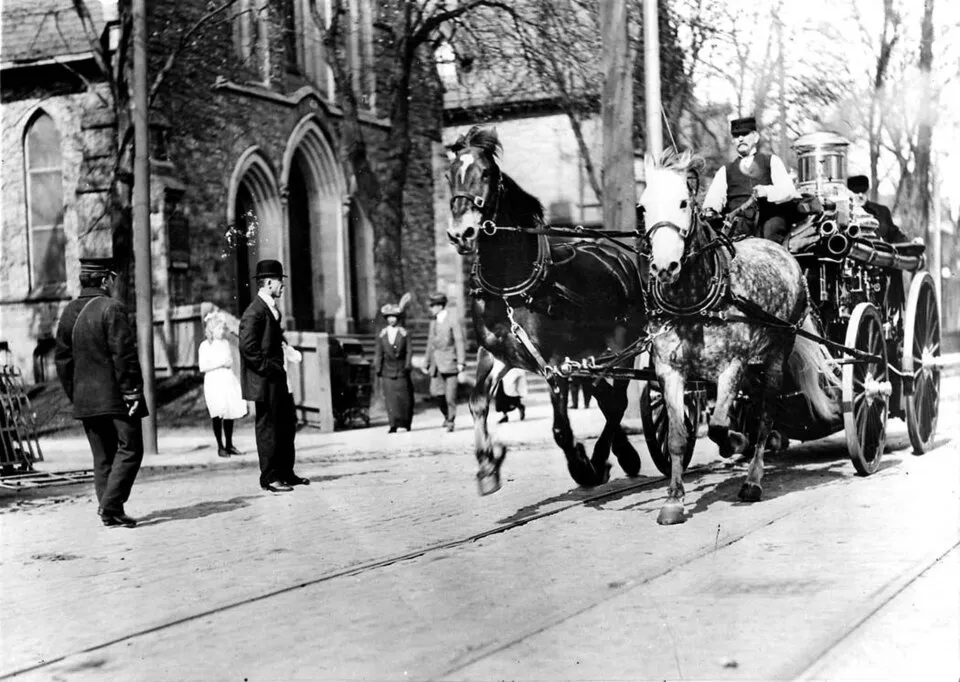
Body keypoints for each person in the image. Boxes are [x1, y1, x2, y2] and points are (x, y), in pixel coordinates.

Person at [54, 257, 146, 528]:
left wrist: (76, 395)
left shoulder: (68, 312)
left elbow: (63, 361)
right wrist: (132, 392)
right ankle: (110, 506)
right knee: (131, 449)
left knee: (103, 457)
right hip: (117, 398)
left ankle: (111, 512)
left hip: (85, 400)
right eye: (113, 279)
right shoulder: (112, 308)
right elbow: (124, 355)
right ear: (105, 280)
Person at [238, 259, 309, 493]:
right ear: (269, 283)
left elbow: (271, 341)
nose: (283, 286)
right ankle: (270, 477)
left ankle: (286, 473)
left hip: (278, 380)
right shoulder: (255, 312)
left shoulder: (270, 309)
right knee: (268, 428)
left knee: (286, 425)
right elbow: (248, 348)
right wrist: (270, 368)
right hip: (266, 381)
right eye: (280, 281)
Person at [703, 116, 799, 244]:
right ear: (733, 140)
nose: (740, 139)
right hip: (738, 223)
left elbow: (789, 191)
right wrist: (710, 209)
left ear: (755, 137)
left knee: (769, 237)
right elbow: (713, 198)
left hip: (768, 220)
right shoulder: (725, 170)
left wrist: (767, 191)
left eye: (745, 134)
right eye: (736, 136)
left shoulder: (771, 161)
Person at [847, 174, 911, 312]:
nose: (860, 195)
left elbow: (894, 233)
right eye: (856, 192)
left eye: (863, 191)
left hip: (880, 266)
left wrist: (909, 243)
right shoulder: (846, 213)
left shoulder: (881, 212)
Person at [198, 311, 247, 457]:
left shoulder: (225, 343)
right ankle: (220, 446)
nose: (222, 331)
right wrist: (221, 363)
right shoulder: (205, 346)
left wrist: (228, 363)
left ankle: (229, 444)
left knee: (229, 411)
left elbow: (229, 360)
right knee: (218, 412)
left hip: (226, 378)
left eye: (222, 328)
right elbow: (203, 366)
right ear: (211, 330)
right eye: (219, 328)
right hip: (214, 380)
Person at [423, 292, 466, 432]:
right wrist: (426, 362)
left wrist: (461, 361)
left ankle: (451, 420)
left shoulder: (452, 320)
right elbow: (430, 343)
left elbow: (459, 341)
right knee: (436, 394)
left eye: (433, 306)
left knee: (450, 396)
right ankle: (446, 415)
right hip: (436, 364)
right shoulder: (433, 322)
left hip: (450, 362)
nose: (431, 309)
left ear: (440, 306)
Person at [373, 293, 414, 433]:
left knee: (404, 398)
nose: (391, 319)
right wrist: (378, 368)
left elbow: (409, 351)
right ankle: (393, 424)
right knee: (390, 399)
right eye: (389, 317)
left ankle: (406, 422)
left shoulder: (404, 333)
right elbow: (379, 352)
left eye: (394, 317)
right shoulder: (382, 334)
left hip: (402, 369)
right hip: (387, 370)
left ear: (398, 318)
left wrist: (407, 366)